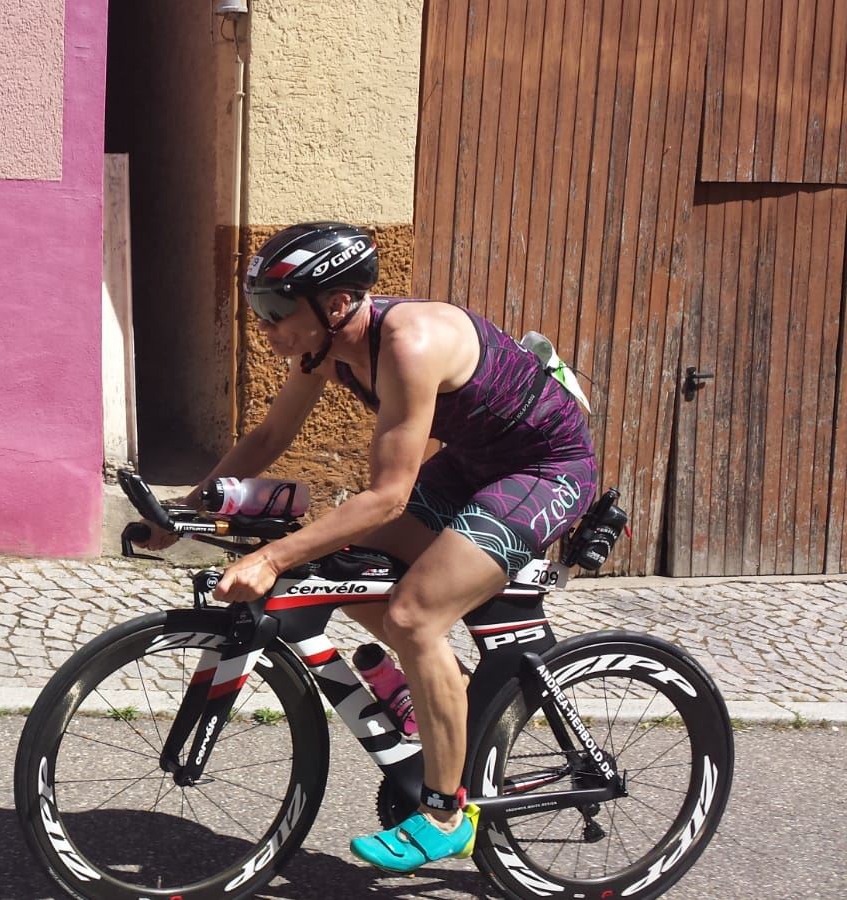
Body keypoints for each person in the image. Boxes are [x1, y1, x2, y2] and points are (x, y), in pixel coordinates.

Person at [135, 221, 597, 873]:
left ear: (336, 304)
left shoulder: (408, 344)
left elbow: (386, 498)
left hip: (546, 469)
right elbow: (268, 438)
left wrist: (272, 557)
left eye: (275, 311)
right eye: (259, 309)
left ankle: (447, 816)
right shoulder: (321, 350)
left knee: (413, 616)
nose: (265, 329)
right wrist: (184, 514)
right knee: (344, 568)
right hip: (473, 464)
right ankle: (443, 693)